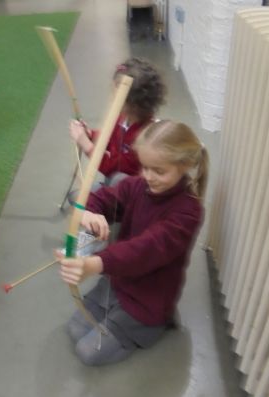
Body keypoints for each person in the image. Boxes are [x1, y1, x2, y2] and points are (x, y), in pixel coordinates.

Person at [58, 120, 209, 366]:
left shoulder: (188, 212)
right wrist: (89, 213)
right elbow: (103, 198)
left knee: (87, 352)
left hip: (149, 297)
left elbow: (144, 251)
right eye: (145, 167)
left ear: (184, 166)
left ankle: (158, 323)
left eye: (159, 171)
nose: (149, 176)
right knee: (75, 329)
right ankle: (118, 311)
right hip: (119, 280)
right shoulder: (138, 184)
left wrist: (94, 264)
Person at [69, 57, 166, 188]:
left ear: (133, 104)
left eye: (116, 95)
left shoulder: (145, 137)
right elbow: (109, 138)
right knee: (81, 195)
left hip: (133, 190)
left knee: (116, 179)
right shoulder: (122, 117)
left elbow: (114, 167)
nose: (112, 97)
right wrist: (90, 134)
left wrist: (86, 145)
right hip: (116, 184)